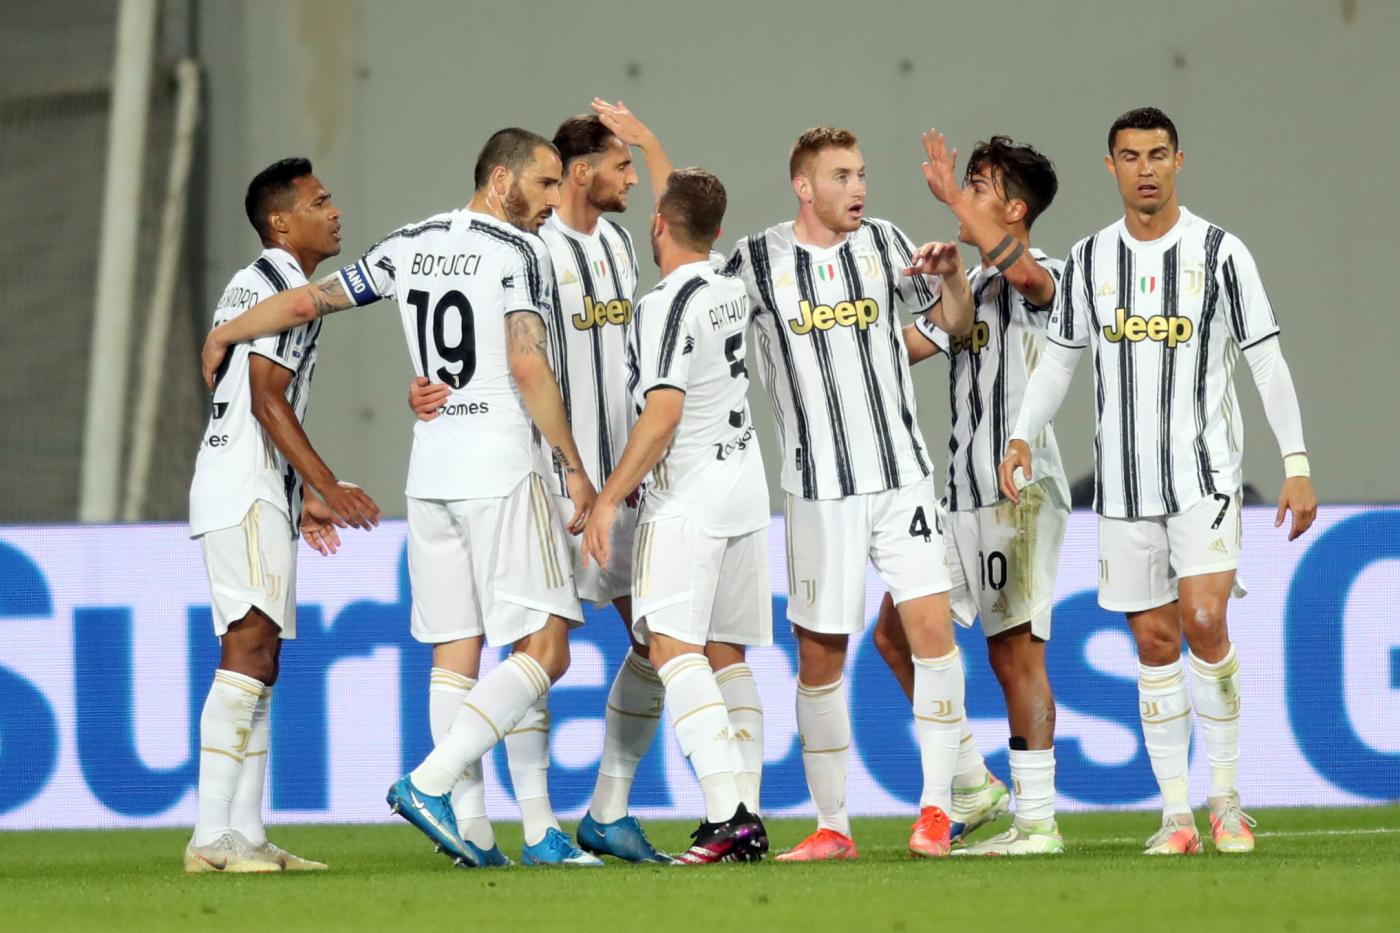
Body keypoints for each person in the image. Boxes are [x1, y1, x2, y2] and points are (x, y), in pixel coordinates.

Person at [200, 128, 597, 869]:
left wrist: (227, 330)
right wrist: (573, 466)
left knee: (456, 649)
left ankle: (474, 835)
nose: (554, 199)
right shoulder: (519, 252)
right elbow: (526, 364)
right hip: (501, 466)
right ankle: (435, 783)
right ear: (501, 181)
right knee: (544, 647)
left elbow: (307, 304)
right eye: (544, 184)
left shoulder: (409, 243)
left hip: (432, 472)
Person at [999, 107, 1317, 855]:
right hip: (1122, 488)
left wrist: (1296, 463)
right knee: (1153, 642)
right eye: (1131, 156)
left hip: (1205, 477)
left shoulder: (1221, 253)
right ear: (1111, 167)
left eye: (1158, 154)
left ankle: (1226, 799)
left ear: (1179, 160)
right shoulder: (1089, 259)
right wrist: (1019, 433)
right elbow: (1060, 361)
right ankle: (1177, 815)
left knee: (1203, 620)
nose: (1146, 168)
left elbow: (1265, 360)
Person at [406, 101, 681, 863]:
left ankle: (607, 809)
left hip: (620, 483)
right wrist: (431, 384)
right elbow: (489, 348)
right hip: (553, 482)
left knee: (659, 640)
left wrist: (650, 142)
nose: (632, 179)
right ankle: (534, 826)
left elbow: (687, 224)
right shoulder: (527, 245)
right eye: (621, 165)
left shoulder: (618, 244)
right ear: (580, 173)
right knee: (536, 648)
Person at [725, 127, 973, 861]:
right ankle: (834, 825)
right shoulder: (755, 261)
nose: (858, 187)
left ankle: (938, 810)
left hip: (902, 478)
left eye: (861, 173)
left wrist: (954, 279)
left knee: (932, 634)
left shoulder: (887, 243)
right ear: (804, 187)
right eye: (841, 176)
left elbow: (954, 325)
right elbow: (696, 311)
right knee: (819, 659)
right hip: (817, 491)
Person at [871, 132, 1069, 855]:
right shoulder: (973, 286)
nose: (965, 198)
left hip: (1018, 494)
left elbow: (1031, 282)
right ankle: (972, 783)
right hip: (956, 495)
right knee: (894, 634)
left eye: (980, 188)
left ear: (1015, 210)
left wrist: (951, 198)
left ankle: (1037, 820)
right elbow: (904, 348)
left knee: (1014, 653)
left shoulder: (1048, 276)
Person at [186, 157, 381, 873]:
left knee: (262, 658)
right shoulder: (277, 283)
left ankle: (244, 831)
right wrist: (324, 482)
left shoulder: (263, 284)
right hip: (244, 488)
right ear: (280, 221)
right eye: (318, 201)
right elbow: (266, 397)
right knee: (247, 649)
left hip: (257, 486)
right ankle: (210, 835)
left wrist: (303, 500)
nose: (334, 211)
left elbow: (253, 398)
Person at [582, 167, 770, 864]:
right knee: (724, 652)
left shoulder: (663, 304)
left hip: (689, 492)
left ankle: (728, 817)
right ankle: (744, 809)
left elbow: (662, 413)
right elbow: (691, 202)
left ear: (658, 223)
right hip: (745, 484)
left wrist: (608, 498)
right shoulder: (728, 282)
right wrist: (652, 147)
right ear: (715, 231)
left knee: (670, 647)